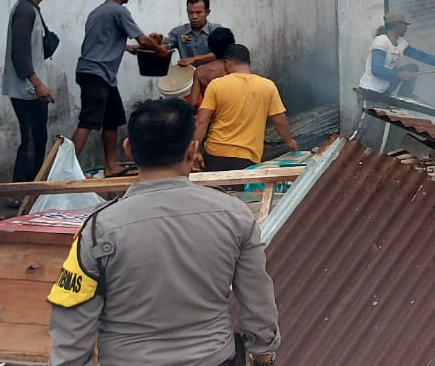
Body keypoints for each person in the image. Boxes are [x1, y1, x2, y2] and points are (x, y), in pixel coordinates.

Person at [48, 98, 280, 366]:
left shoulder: (98, 230)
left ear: (129, 149)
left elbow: (72, 317)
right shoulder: (235, 215)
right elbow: (257, 297)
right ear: (193, 151)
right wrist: (264, 354)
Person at [73, 0, 166, 176]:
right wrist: (161, 51)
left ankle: (110, 165)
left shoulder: (98, 12)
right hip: (97, 73)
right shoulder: (119, 11)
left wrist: (126, 48)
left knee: (112, 120)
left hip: (98, 74)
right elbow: (143, 39)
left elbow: (102, 41)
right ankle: (62, 171)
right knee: (88, 122)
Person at [195, 45, 296, 172]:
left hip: (215, 153)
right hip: (247, 157)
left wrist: (195, 149)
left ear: (228, 63)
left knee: (213, 190)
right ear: (248, 63)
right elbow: (280, 120)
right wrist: (289, 141)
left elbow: (201, 121)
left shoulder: (216, 85)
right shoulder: (267, 86)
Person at [4, 0, 57, 187]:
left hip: (29, 88)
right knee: (32, 141)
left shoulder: (29, 8)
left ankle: (28, 190)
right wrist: (37, 84)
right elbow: (20, 54)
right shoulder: (25, 11)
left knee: (36, 139)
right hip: (26, 90)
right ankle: (24, 190)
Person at [358, 12, 435, 97]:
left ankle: (404, 99)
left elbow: (420, 55)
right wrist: (398, 75)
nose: (406, 28)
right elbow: (377, 70)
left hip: (386, 87)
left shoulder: (401, 43)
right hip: (370, 91)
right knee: (373, 121)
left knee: (412, 68)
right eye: (404, 25)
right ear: (396, 25)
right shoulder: (381, 41)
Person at [166, 0, 225, 68]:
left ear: (207, 12)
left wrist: (194, 59)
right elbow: (165, 47)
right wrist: (155, 43)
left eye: (198, 12)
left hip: (212, 75)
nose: (194, 17)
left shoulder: (216, 30)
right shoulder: (179, 32)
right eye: (190, 13)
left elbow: (222, 52)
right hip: (187, 75)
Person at [186, 28, 237, 110]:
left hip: (214, 116)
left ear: (210, 47)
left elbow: (194, 102)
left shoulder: (200, 71)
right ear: (232, 45)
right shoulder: (238, 67)